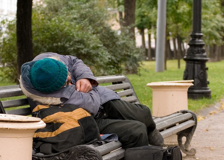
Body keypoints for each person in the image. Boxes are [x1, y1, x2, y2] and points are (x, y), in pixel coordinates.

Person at [20, 53, 164, 149]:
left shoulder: (45, 62)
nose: (70, 78)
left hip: (102, 101)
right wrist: (91, 86)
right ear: (54, 89)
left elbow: (74, 61)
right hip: (88, 118)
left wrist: (84, 78)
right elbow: (92, 105)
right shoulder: (51, 96)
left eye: (67, 73)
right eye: (67, 82)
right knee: (137, 130)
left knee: (143, 112)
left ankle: (151, 130)